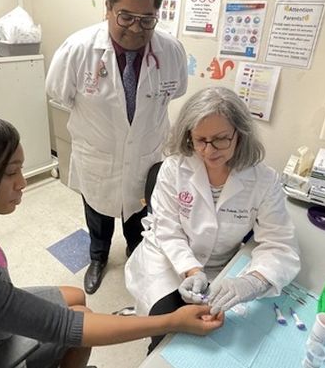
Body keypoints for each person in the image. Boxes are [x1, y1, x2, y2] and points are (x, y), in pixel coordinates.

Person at [0, 109, 222, 368]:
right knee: (83, 324)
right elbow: (63, 327)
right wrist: (170, 321)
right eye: (10, 173)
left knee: (76, 296)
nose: (22, 182)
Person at [124, 87, 301, 352]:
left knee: (218, 338)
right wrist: (192, 270)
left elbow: (280, 244)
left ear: (239, 135)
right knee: (167, 335)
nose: (209, 150)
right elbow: (169, 229)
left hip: (222, 268)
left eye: (220, 139)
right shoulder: (174, 168)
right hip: (166, 260)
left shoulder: (263, 181)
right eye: (200, 140)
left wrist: (253, 281)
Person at [46, 0, 188, 294]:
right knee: (97, 213)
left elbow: (176, 91)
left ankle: (136, 257)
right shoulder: (78, 49)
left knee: (140, 214)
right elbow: (58, 93)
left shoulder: (171, 51)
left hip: (146, 153)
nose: (136, 28)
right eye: (125, 17)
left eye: (147, 19)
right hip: (98, 155)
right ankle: (97, 258)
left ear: (157, 14)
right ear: (108, 8)